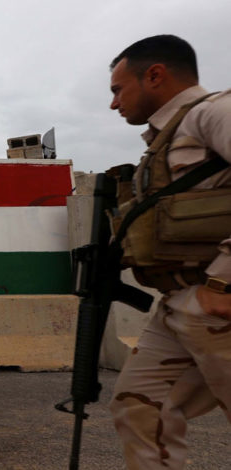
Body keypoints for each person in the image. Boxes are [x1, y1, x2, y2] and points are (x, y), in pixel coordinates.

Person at [107, 35, 231, 468]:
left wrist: (223, 281)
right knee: (140, 408)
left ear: (155, 75)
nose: (114, 103)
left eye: (118, 89)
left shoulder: (214, 112)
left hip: (217, 299)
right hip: (183, 303)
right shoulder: (167, 138)